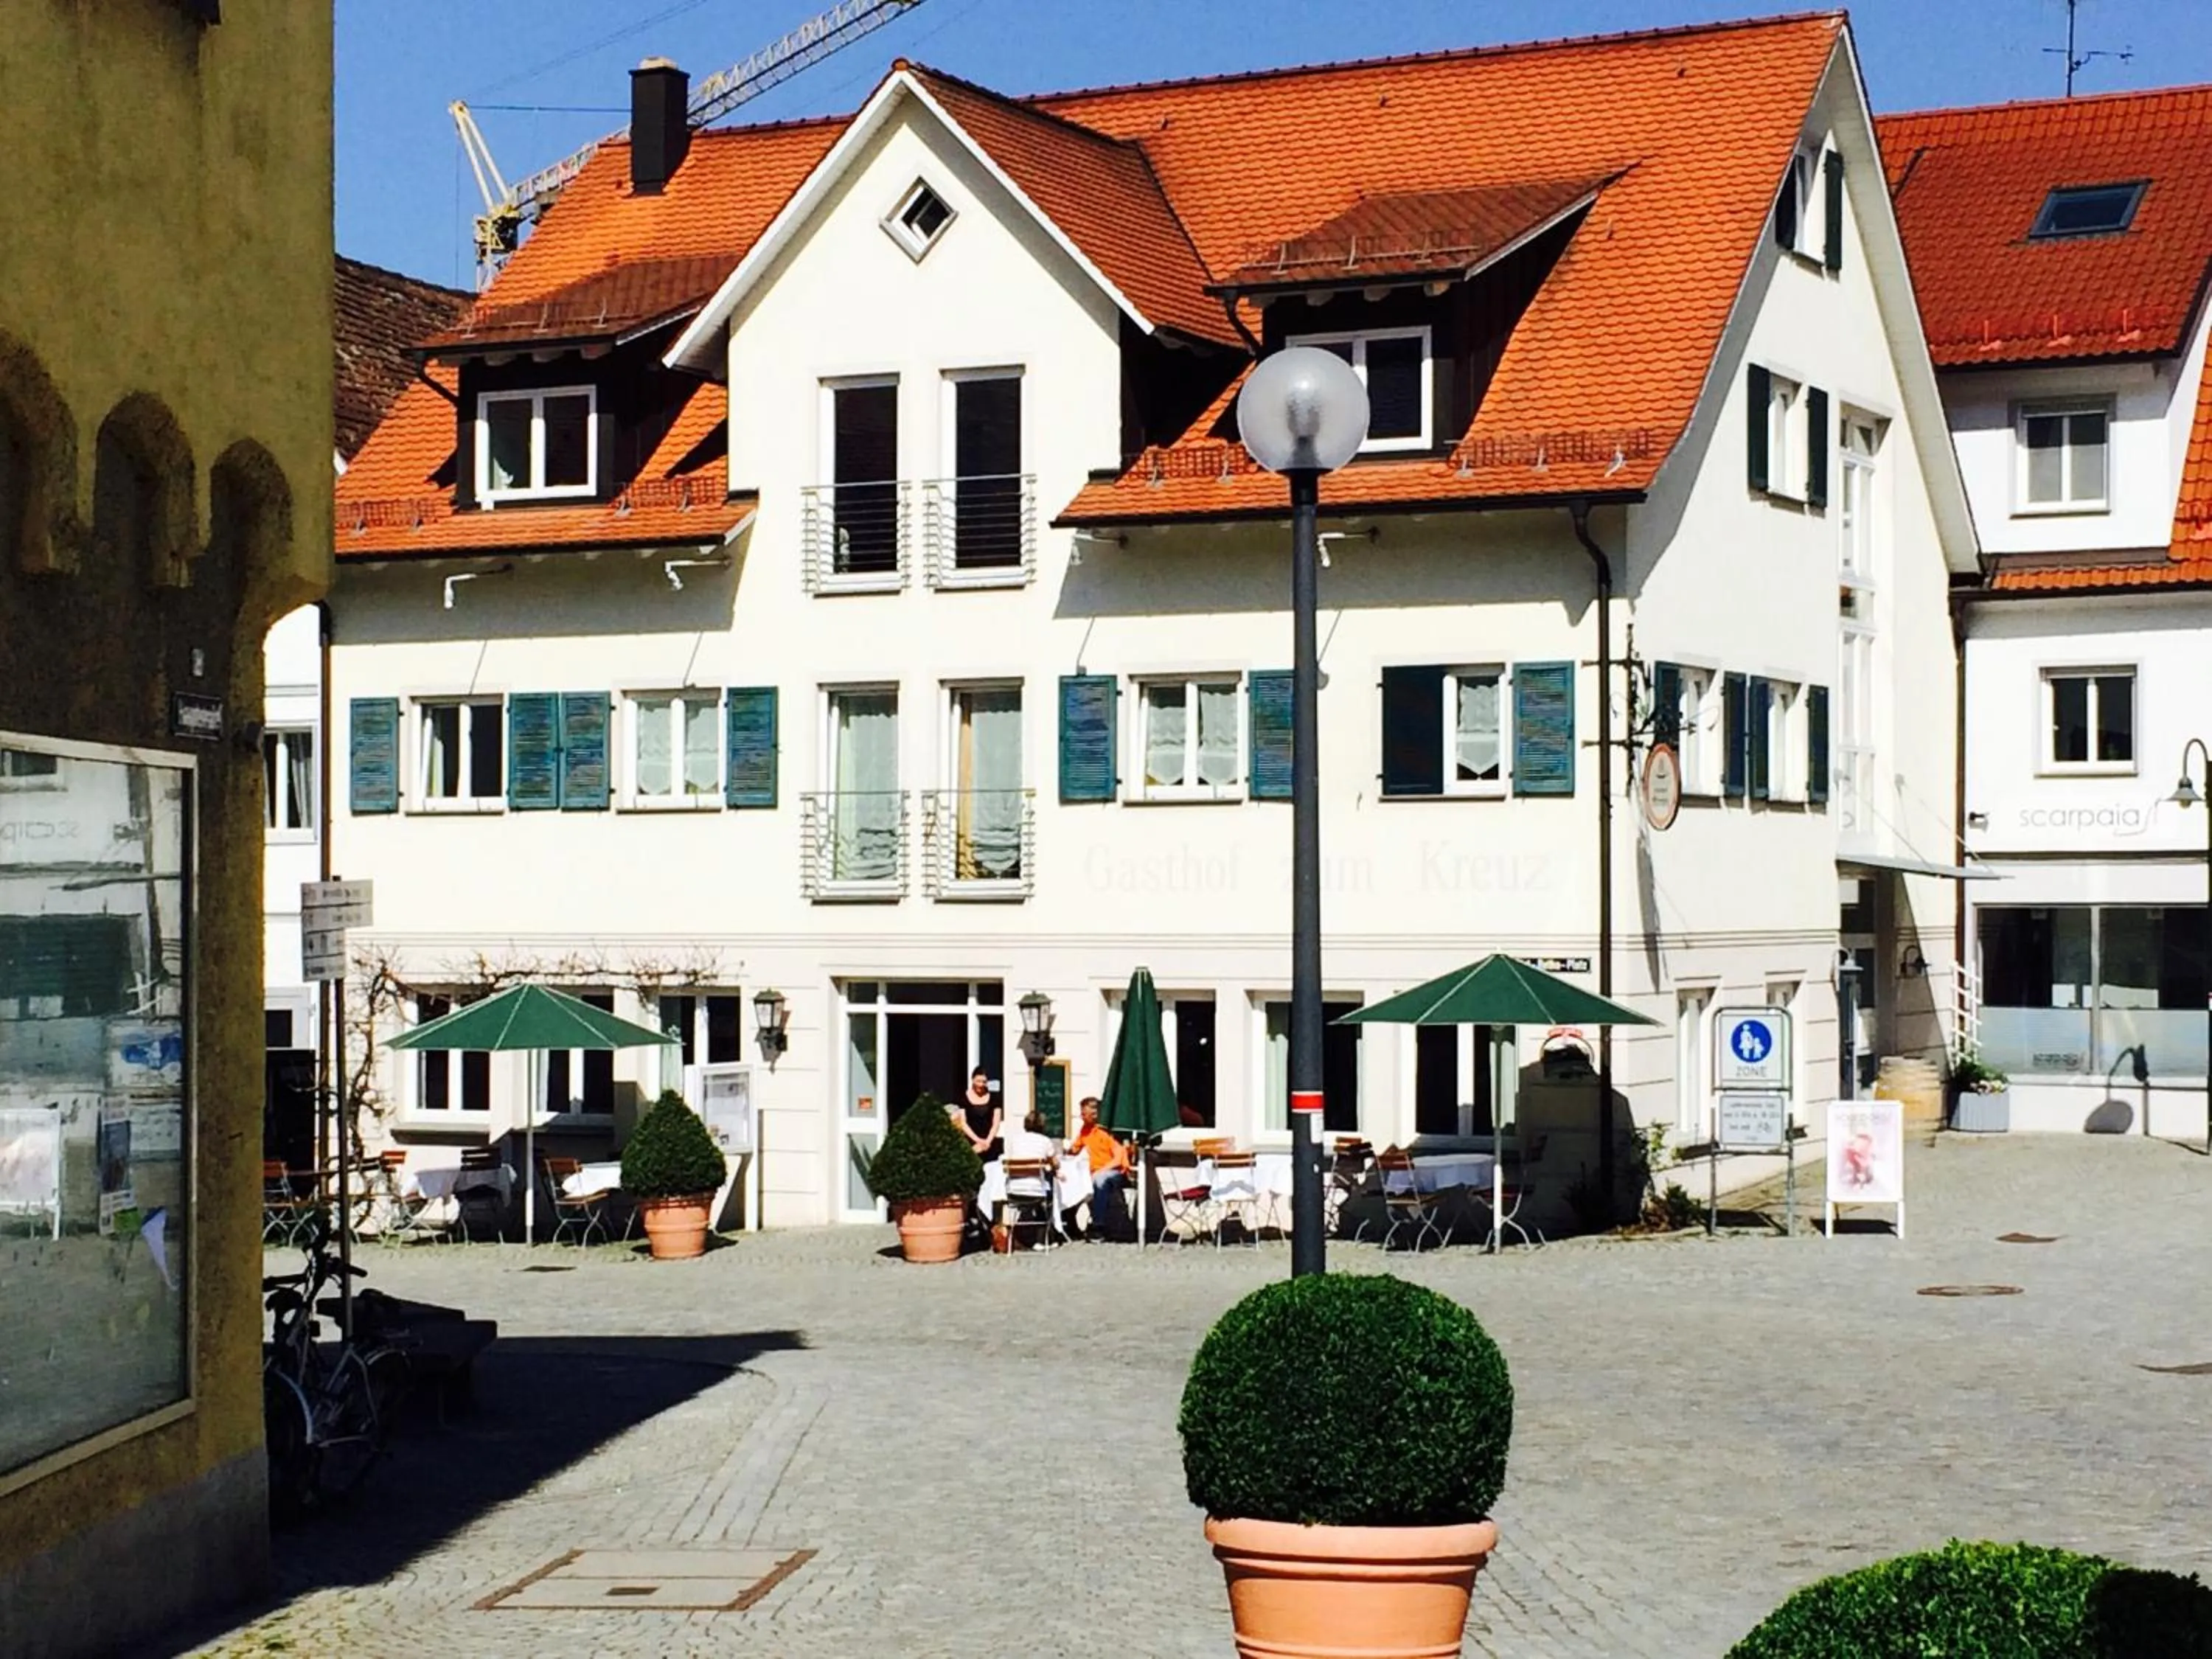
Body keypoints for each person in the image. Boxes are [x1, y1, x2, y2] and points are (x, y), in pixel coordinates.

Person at [1065, 1095, 1133, 1240]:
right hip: (1095, 1172)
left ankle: (1098, 1225)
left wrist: (1100, 1171)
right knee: (1071, 1179)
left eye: (1085, 1114)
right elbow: (1075, 1148)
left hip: (1117, 1172)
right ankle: (1068, 1222)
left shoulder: (1108, 1131)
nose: (1082, 1117)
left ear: (1095, 1114)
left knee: (1099, 1179)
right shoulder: (1086, 1129)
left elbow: (1118, 1159)